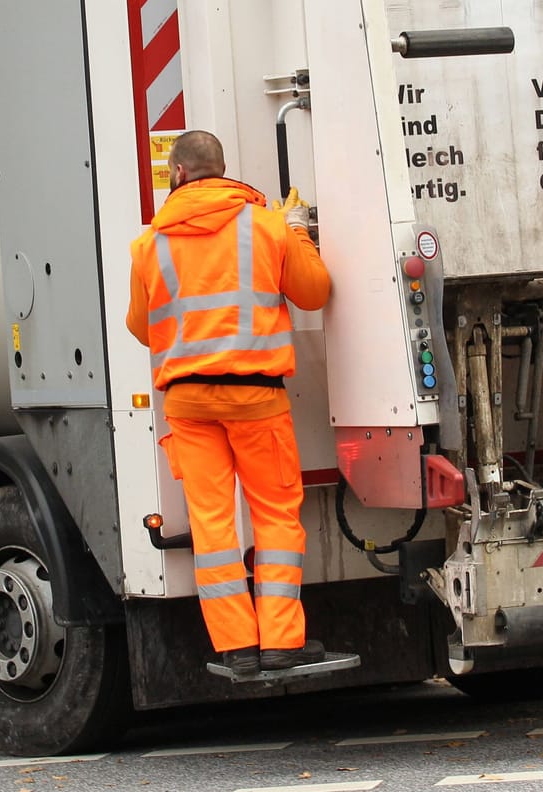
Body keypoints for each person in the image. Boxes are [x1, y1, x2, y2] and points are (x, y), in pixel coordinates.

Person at [126, 130, 332, 676]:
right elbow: (314, 292)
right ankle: (282, 642)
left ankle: (236, 646)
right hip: (256, 401)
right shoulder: (265, 227)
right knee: (275, 518)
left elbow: (141, 329)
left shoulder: (149, 245)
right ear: (223, 170)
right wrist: (299, 234)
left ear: (178, 176)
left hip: (189, 406)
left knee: (213, 526)